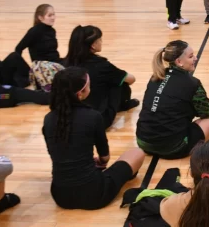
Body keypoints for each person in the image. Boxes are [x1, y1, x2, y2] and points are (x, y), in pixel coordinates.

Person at [43, 67, 145, 210]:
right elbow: (105, 157)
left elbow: (55, 152)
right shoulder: (93, 116)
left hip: (60, 196)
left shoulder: (48, 119)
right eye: (89, 85)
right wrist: (99, 162)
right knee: (137, 153)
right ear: (80, 94)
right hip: (94, 194)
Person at [136, 40, 209, 160]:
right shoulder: (192, 83)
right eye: (191, 56)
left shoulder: (155, 77)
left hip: (143, 142)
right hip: (173, 148)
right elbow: (206, 112)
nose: (195, 58)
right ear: (179, 62)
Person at [65, 25, 138, 129]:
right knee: (119, 81)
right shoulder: (102, 65)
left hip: (70, 117)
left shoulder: (65, 63)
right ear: (93, 45)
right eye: (100, 40)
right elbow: (131, 79)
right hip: (99, 120)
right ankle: (122, 105)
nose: (101, 42)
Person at [15, 4, 64, 90]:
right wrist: (27, 71)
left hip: (54, 63)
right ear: (40, 17)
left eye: (53, 14)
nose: (53, 17)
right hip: (44, 67)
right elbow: (18, 48)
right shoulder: (34, 31)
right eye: (49, 15)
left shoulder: (52, 30)